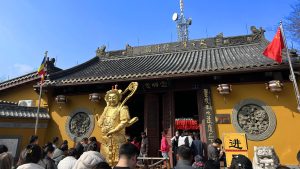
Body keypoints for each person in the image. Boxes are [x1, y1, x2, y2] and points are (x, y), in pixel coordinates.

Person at [95, 83, 138, 165]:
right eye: (109, 98)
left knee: (117, 161)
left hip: (117, 140)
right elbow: (100, 124)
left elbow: (124, 122)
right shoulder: (106, 109)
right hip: (105, 140)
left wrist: (114, 130)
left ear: (118, 98)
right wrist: (106, 108)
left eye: (114, 98)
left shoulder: (122, 108)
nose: (111, 100)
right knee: (105, 161)